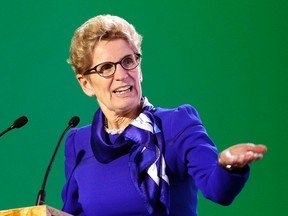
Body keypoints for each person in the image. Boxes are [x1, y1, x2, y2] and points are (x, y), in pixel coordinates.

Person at [61, 14, 267, 216]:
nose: (122, 75)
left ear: (139, 68)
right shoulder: (78, 143)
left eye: (128, 61)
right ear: (86, 84)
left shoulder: (176, 124)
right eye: (106, 68)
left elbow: (218, 190)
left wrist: (227, 166)